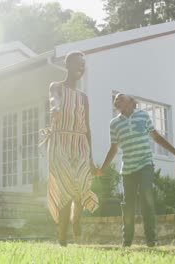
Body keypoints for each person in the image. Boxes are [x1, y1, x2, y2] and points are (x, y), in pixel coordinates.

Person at [99, 93, 175, 247]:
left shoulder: (143, 116)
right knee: (128, 206)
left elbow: (157, 138)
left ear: (130, 101)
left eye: (120, 98)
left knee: (146, 199)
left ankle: (151, 240)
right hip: (128, 168)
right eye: (115, 99)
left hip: (145, 165)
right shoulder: (114, 124)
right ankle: (127, 242)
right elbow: (113, 148)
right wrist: (102, 169)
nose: (116, 100)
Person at [43, 51, 99, 247]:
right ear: (68, 65)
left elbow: (87, 127)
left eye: (83, 65)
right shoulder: (56, 86)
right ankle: (63, 238)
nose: (81, 68)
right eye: (77, 64)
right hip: (60, 142)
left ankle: (76, 220)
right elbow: (53, 100)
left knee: (82, 186)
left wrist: (90, 158)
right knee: (66, 187)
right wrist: (55, 109)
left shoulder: (83, 97)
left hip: (80, 143)